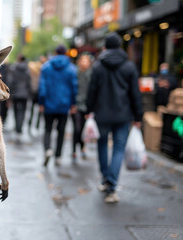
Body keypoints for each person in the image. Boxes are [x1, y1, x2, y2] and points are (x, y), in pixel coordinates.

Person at [86, 32, 143, 203]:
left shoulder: (98, 66)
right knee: (118, 148)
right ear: (120, 46)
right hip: (123, 115)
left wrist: (89, 110)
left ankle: (105, 178)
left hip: (102, 114)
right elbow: (135, 94)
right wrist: (138, 116)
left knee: (102, 145)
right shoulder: (129, 66)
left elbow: (92, 91)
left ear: (105, 46)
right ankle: (112, 184)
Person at [39, 45, 78, 166]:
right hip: (64, 105)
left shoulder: (46, 67)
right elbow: (74, 87)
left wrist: (41, 102)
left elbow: (42, 87)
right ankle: (58, 156)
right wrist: (73, 103)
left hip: (49, 104)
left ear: (55, 53)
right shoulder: (71, 68)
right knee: (61, 131)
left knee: (48, 129)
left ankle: (47, 149)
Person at [71, 53, 93, 163]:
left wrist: (91, 108)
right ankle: (74, 150)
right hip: (76, 105)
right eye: (82, 61)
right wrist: (72, 104)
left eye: (86, 61)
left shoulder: (91, 74)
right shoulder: (75, 73)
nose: (84, 63)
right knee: (77, 129)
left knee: (83, 129)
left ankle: (82, 147)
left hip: (86, 106)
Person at [8, 54, 32, 143]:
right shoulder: (27, 70)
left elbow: (11, 81)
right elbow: (29, 83)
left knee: (15, 111)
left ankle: (17, 127)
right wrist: (30, 93)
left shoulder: (13, 69)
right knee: (22, 111)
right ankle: (19, 127)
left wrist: (9, 94)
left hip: (15, 94)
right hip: (24, 94)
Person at [27, 56, 47, 136]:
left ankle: (30, 126)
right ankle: (36, 126)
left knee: (32, 111)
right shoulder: (43, 71)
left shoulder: (33, 70)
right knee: (39, 111)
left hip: (33, 92)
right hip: (38, 93)